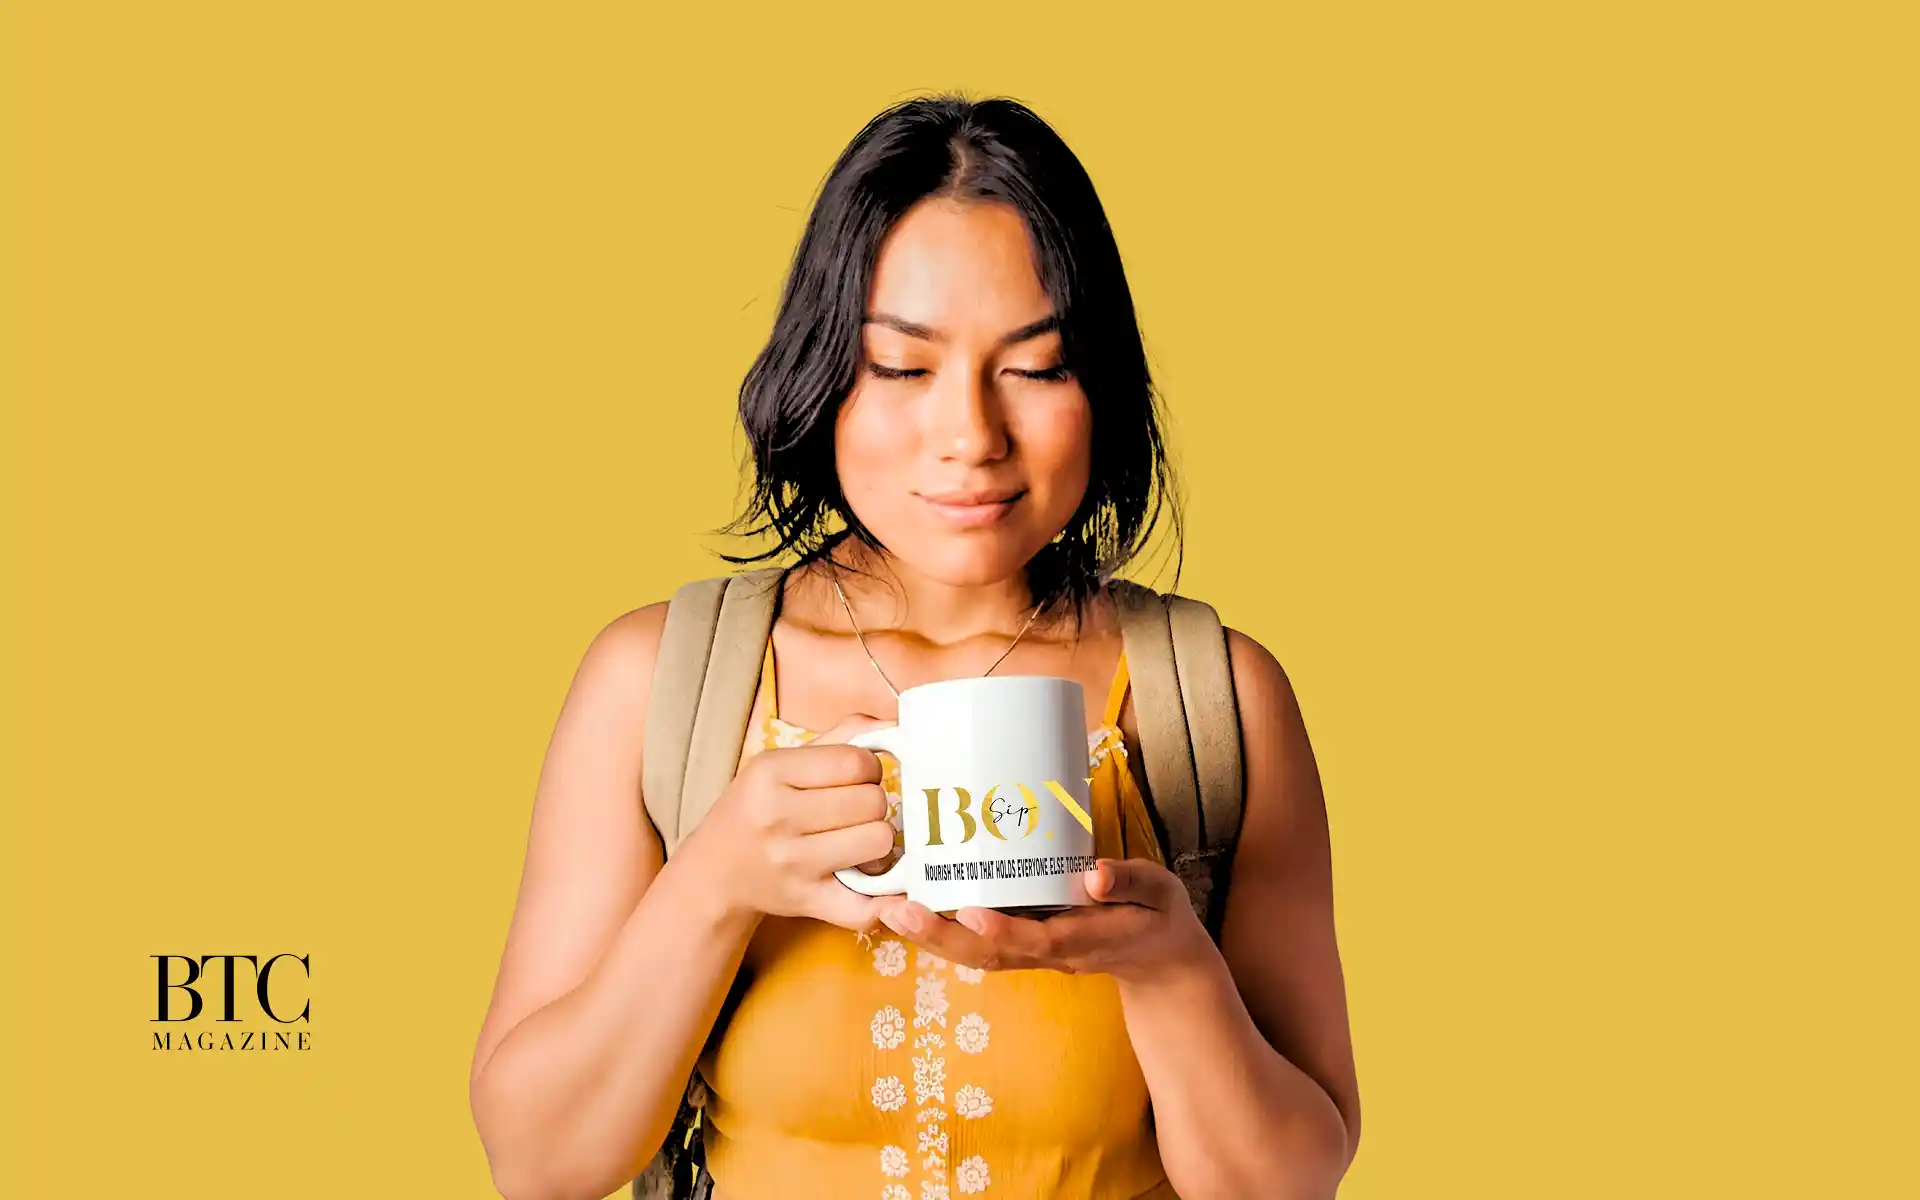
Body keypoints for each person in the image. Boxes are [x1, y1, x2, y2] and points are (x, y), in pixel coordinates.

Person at [469, 93, 1360, 1200]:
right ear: (823, 377)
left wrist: (1167, 963)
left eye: (1035, 368)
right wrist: (716, 882)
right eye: (902, 367)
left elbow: (1290, 1186)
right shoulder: (662, 681)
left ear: (1104, 388)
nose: (971, 438)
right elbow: (539, 1164)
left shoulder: (1213, 702)